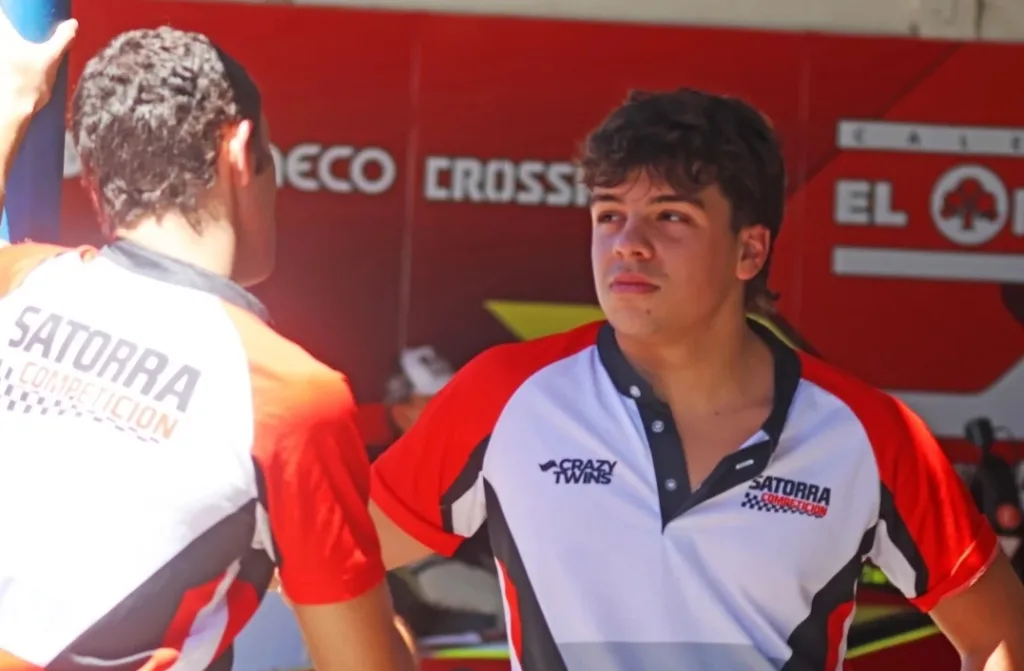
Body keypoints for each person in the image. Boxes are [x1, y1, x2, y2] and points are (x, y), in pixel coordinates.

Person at [368, 88, 1024, 670]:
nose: (628, 242)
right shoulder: (504, 394)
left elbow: (1002, 634)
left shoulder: (868, 433)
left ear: (750, 249)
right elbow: (332, 561)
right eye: (608, 214)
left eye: (670, 216)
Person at [0, 15, 412, 671]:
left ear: (96, 172)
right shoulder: (285, 395)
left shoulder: (18, 283)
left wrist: (11, 107)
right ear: (239, 152)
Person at [369, 346, 506, 638]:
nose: (455, 409)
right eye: (438, 402)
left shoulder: (481, 459)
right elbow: (423, 573)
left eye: (457, 398)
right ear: (402, 414)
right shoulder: (376, 474)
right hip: (424, 601)